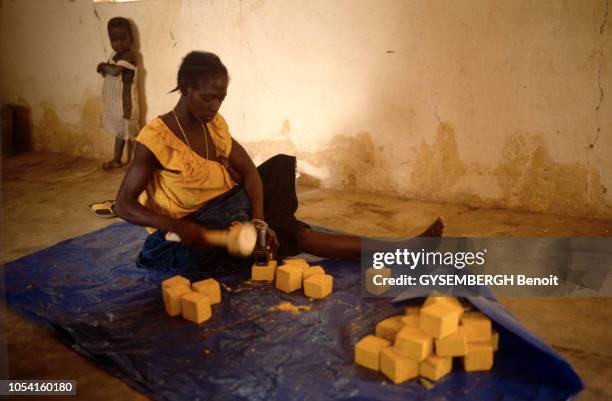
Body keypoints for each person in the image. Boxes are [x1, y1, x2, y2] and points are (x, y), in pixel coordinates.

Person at [114, 51, 443, 272]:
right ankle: (400, 252)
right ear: (185, 89)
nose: (215, 106)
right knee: (294, 236)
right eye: (207, 97)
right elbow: (123, 205)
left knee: (277, 182)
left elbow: (250, 174)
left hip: (236, 205)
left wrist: (259, 222)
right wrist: (176, 225)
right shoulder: (156, 138)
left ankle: (402, 250)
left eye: (221, 98)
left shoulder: (213, 125)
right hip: (200, 224)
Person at [97, 17, 140, 170]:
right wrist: (104, 68)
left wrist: (103, 66)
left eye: (123, 39)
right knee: (120, 133)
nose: (119, 43)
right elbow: (108, 73)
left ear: (131, 39)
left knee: (133, 134)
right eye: (114, 39)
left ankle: (138, 163)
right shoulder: (113, 55)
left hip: (126, 104)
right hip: (116, 104)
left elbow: (114, 71)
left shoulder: (130, 56)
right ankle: (117, 159)